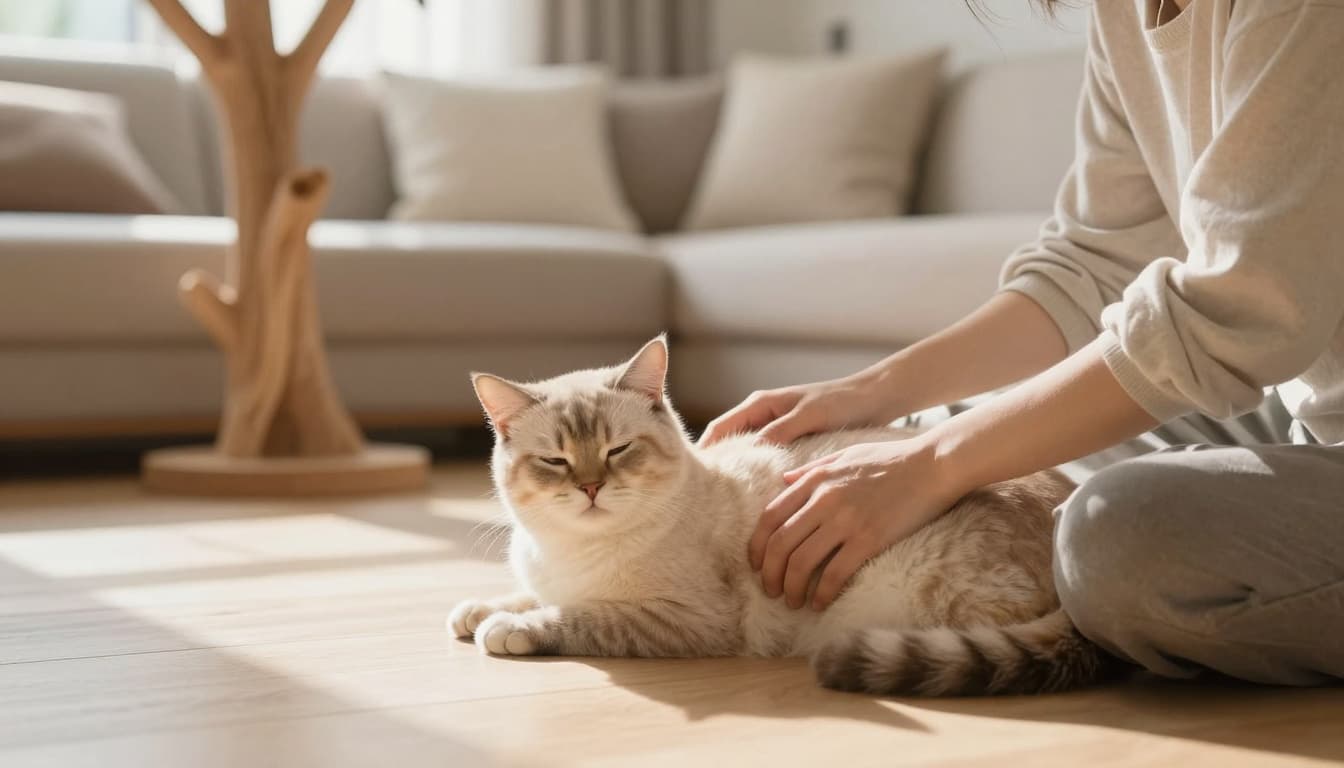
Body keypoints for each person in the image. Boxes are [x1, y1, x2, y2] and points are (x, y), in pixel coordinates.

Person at [700, 0, 1344, 686]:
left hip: (1300, 399)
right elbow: (1091, 264)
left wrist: (932, 465)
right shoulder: (1123, 13)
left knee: (1117, 538)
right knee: (933, 446)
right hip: (1299, 404)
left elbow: (1238, 307)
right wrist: (870, 395)